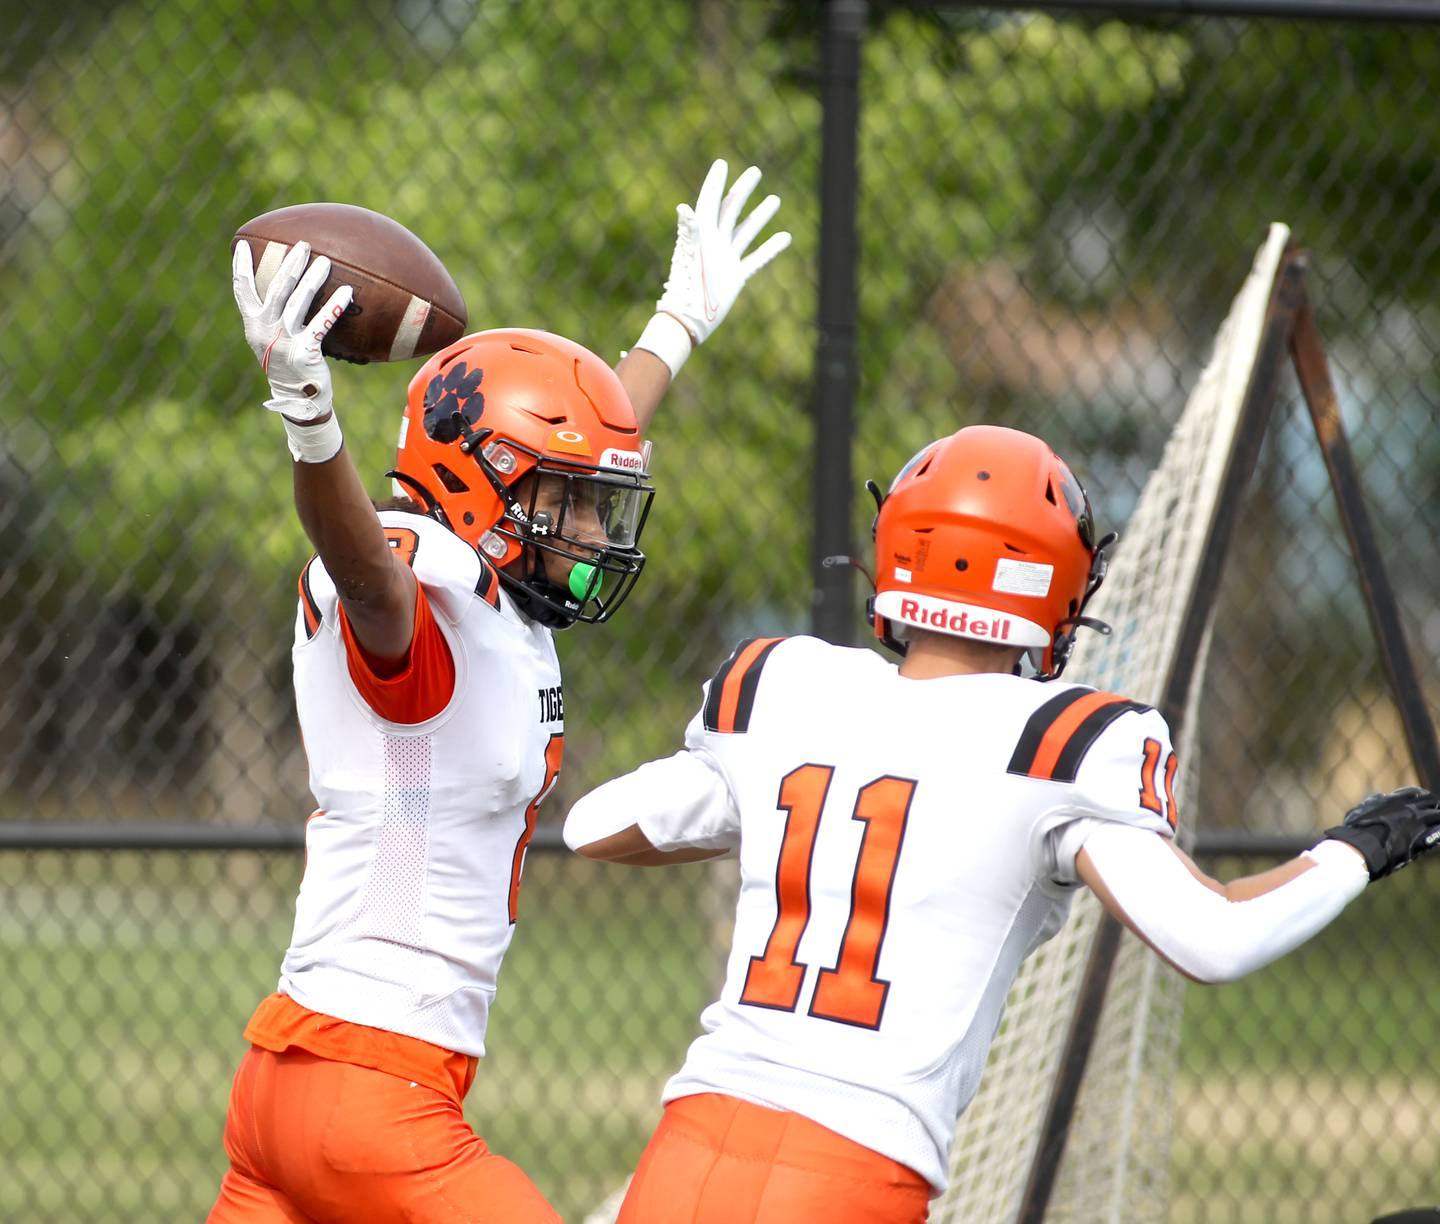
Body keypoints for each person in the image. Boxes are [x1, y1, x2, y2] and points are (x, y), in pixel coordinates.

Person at [563, 424, 1440, 1224]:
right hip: (854, 1175)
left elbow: (593, 824)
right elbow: (1214, 939)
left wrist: (763, 802)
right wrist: (1359, 847)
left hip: (686, 1154)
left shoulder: (789, 685)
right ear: (1050, 577)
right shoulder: (1064, 740)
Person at [207, 159, 790, 1224]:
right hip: (373, 1099)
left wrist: (674, 327)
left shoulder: (485, 575)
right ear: (480, 489)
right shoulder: (417, 589)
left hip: (288, 1077)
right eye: (573, 509)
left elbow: (566, 452)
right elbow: (370, 581)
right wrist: (311, 426)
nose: (594, 535)